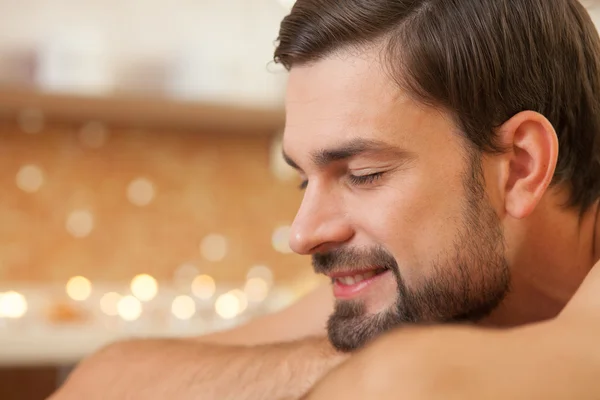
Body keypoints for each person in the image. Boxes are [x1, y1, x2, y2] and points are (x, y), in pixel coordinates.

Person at [51, 0, 600, 399]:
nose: (303, 233)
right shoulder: (424, 284)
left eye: (363, 173)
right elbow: (102, 383)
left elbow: (406, 386)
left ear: (521, 167)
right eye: (303, 179)